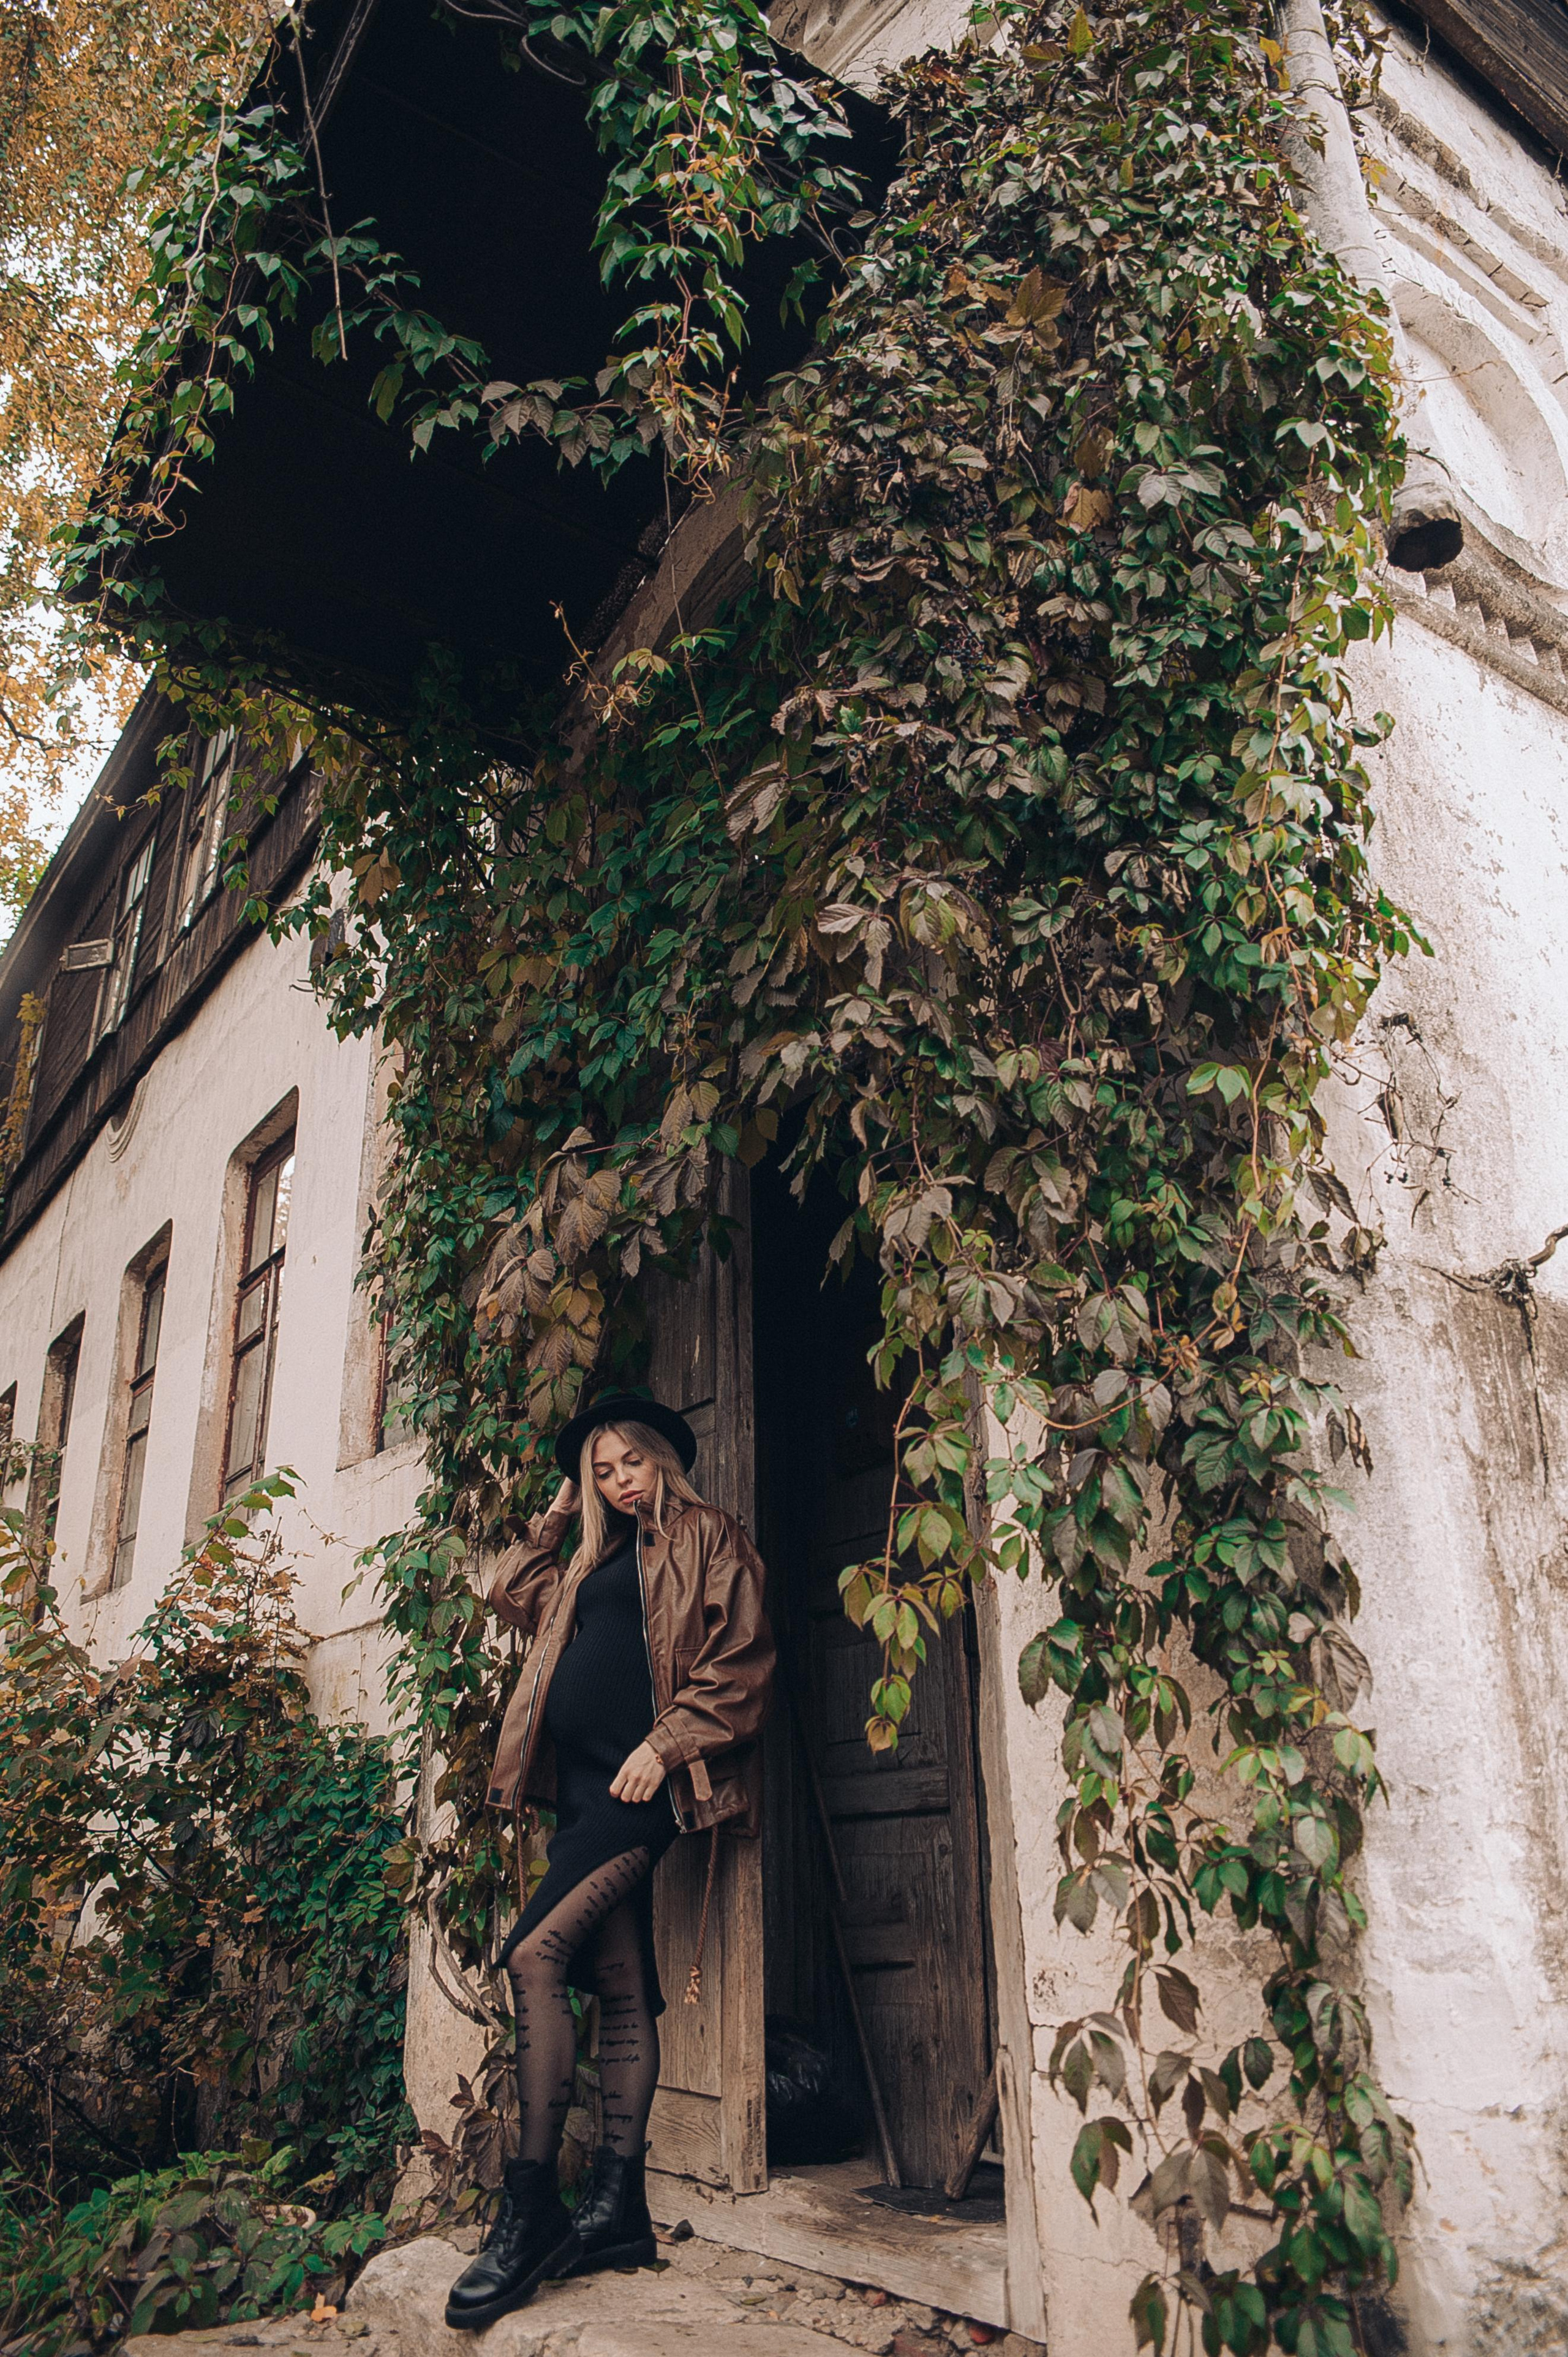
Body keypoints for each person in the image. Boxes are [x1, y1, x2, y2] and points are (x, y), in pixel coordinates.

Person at [444, 1391, 775, 2331]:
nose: (619, 1480)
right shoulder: (589, 1559)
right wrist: (563, 1502)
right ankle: (620, 2209)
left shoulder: (710, 1536)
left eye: (630, 1461)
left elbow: (743, 1664)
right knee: (622, 1986)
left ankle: (532, 2207)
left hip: (646, 1788)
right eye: (602, 1470)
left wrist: (665, 1746)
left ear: (661, 1459)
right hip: (584, 1788)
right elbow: (509, 1589)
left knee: (534, 1955)